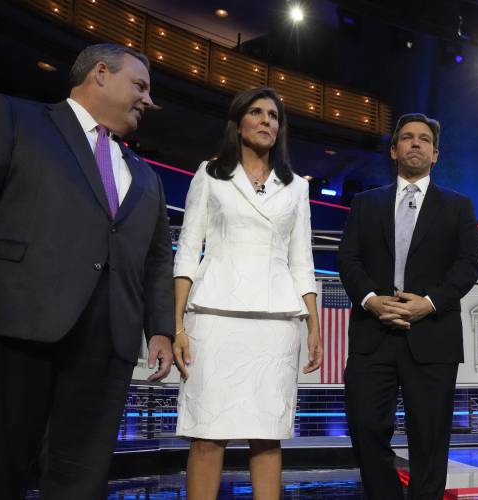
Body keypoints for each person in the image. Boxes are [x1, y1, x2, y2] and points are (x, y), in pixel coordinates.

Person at [0, 43, 174, 499]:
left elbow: (158, 258)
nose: (148, 100)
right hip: (15, 325)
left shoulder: (147, 176)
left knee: (81, 479)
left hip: (108, 343)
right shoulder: (13, 117)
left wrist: (161, 328)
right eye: (139, 86)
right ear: (100, 73)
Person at [172, 86, 323, 499]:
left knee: (267, 435)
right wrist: (178, 324)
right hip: (213, 316)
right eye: (256, 113)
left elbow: (301, 261)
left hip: (276, 323)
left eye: (273, 116)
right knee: (207, 432)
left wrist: (313, 324)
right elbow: (188, 249)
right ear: (238, 124)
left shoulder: (295, 187)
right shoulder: (210, 173)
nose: (266, 121)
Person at [337, 113, 478, 499]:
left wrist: (430, 303)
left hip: (433, 334)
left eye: (423, 139)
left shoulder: (458, 206)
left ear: (436, 154)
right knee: (366, 428)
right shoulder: (366, 204)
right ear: (393, 149)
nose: (415, 143)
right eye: (406, 137)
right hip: (373, 334)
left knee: (430, 439)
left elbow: (469, 264)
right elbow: (348, 259)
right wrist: (371, 300)